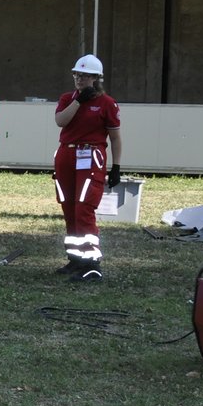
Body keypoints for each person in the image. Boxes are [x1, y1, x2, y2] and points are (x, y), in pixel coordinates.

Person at [52, 54, 123, 281]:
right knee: (69, 207)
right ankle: (76, 258)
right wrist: (78, 101)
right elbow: (61, 121)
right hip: (67, 154)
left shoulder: (107, 103)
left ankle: (91, 262)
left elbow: (115, 137)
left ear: (96, 78)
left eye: (85, 75)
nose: (79, 79)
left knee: (84, 207)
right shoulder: (68, 98)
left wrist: (116, 166)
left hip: (90, 156)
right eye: (77, 74)